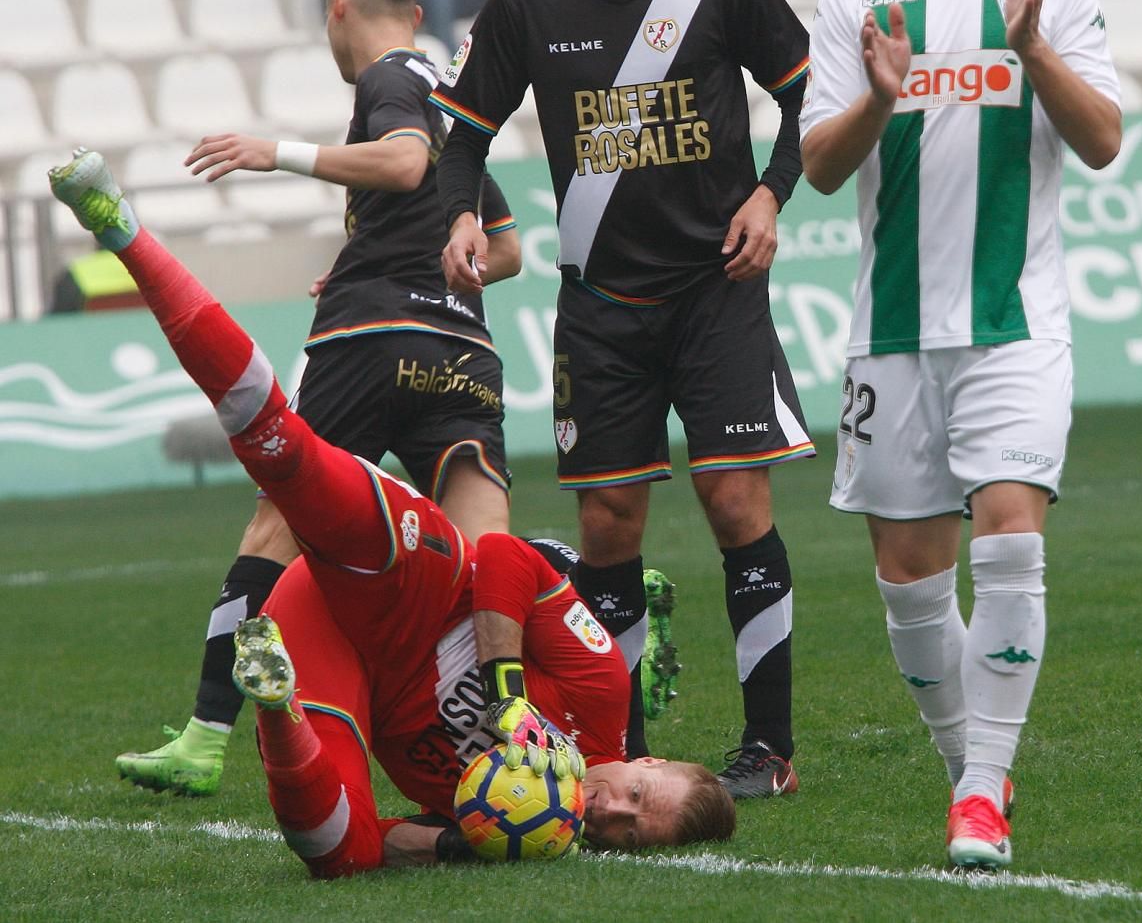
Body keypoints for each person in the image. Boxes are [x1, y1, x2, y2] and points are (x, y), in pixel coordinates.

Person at [48, 147, 736, 867]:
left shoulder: (539, 828)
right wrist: (508, 696)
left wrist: (469, 836)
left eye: (627, 832)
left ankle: (277, 707)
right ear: (651, 764)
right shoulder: (600, 694)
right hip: (410, 582)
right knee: (287, 455)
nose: (611, 810)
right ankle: (124, 229)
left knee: (337, 851)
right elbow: (502, 554)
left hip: (332, 655)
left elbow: (389, 837)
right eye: (635, 796)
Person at [435, 0, 815, 799]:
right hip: (600, 304)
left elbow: (806, 88)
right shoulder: (526, 2)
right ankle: (625, 749)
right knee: (608, 526)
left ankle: (768, 749)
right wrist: (462, 217)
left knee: (735, 499)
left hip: (715, 291)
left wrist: (772, 190)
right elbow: (464, 134)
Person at [113, 0, 521, 798]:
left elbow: (406, 164)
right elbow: (507, 248)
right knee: (489, 560)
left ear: (338, 2)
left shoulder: (392, 79)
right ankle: (523, 741)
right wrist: (389, 253)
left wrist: (276, 152)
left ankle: (202, 734)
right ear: (414, 7)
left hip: (369, 344)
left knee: (276, 524)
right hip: (464, 353)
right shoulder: (454, 99)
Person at [798, 0, 1121, 869]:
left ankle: (982, 788)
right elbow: (820, 166)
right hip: (890, 329)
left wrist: (1033, 52)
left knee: (1013, 525)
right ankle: (970, 767)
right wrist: (880, 97)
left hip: (1015, 317)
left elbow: (1106, 140)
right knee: (910, 577)